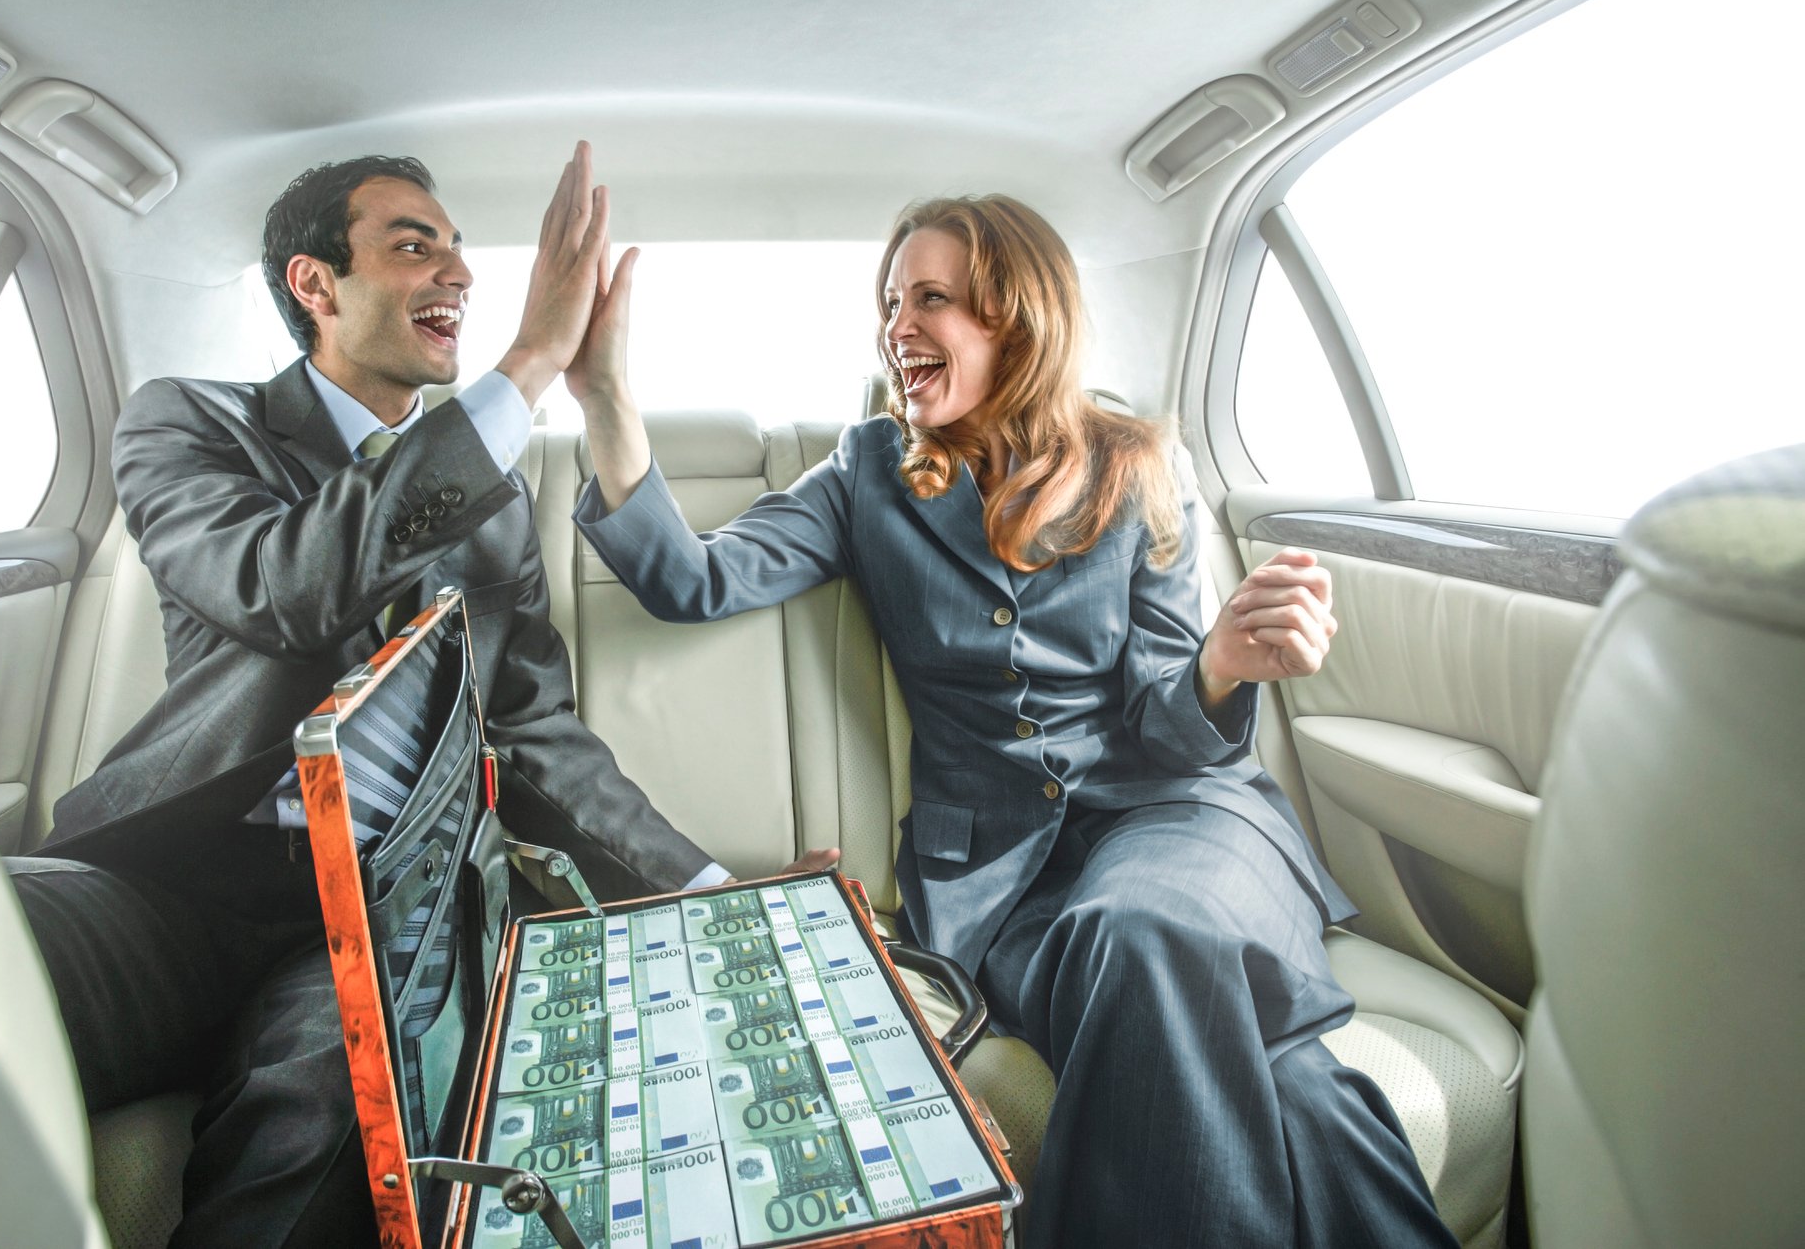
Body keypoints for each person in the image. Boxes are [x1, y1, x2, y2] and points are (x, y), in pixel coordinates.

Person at [569, 195, 1460, 1248]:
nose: (897, 326)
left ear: (1016, 315)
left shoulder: (1132, 464)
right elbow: (693, 579)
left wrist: (1220, 665)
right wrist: (604, 395)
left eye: (930, 299)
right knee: (1289, 1079)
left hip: (1183, 822)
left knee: (1139, 927)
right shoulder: (867, 473)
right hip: (1001, 884)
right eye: (890, 303)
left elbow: (1176, 733)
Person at [10, 145, 826, 1248]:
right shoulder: (194, 424)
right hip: (171, 877)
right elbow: (282, 586)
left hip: (381, 916)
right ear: (315, 284)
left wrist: (717, 892)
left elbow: (535, 732)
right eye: (411, 244)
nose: (457, 271)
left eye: (455, 247)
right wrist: (531, 360)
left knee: (328, 1099)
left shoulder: (489, 498)